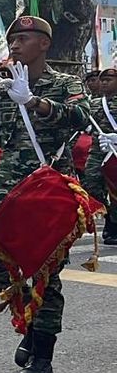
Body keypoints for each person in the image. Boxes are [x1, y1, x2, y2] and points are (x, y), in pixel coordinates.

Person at [0, 16, 91, 373]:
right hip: (9, 189)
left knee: (45, 270)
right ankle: (30, 322)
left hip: (49, 188)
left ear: (44, 43)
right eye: (12, 40)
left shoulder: (65, 84)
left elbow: (82, 116)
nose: (14, 46)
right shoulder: (0, 91)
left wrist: (36, 102)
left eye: (23, 39)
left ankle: (43, 354)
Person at [84, 67, 117, 245]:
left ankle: (112, 226)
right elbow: (82, 120)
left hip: (116, 151)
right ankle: (109, 216)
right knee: (91, 183)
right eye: (102, 80)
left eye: (108, 80)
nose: (104, 83)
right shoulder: (95, 103)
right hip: (99, 151)